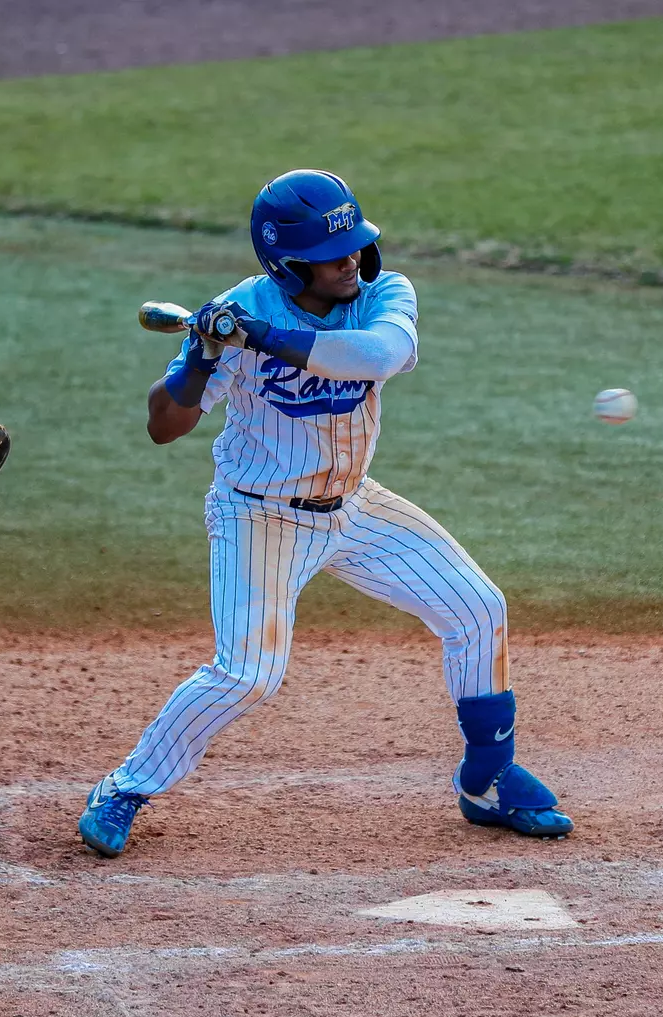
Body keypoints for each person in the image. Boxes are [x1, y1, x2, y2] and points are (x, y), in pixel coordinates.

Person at [77, 169, 574, 857]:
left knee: (477, 608)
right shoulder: (235, 312)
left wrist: (264, 339)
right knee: (246, 674)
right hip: (259, 517)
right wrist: (199, 358)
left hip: (355, 506)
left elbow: (378, 354)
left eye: (353, 246)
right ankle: (125, 787)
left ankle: (485, 782)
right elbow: (165, 426)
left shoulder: (381, 296)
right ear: (286, 263)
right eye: (329, 253)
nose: (350, 261)